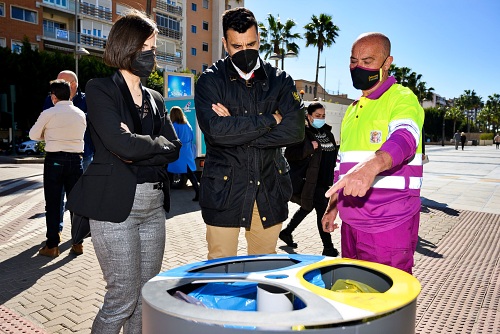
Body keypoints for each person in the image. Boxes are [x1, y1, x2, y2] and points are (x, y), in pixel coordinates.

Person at [66, 11, 181, 334]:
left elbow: (174, 148)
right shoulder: (101, 88)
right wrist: (148, 147)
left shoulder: (156, 98)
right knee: (122, 299)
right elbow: (121, 146)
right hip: (116, 208)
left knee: (145, 298)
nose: (151, 54)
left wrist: (136, 146)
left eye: (153, 48)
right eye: (145, 46)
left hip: (154, 208)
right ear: (126, 46)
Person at [195, 7, 304, 260]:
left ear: (260, 39)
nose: (245, 51)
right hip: (224, 193)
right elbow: (216, 133)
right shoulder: (210, 81)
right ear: (224, 44)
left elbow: (295, 130)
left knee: (265, 269)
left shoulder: (281, 80)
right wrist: (271, 119)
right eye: (236, 46)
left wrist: (235, 128)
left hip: (268, 189)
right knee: (221, 271)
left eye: (251, 44)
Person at [321, 32, 425, 275]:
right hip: (351, 223)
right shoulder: (353, 109)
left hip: (388, 224)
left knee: (386, 304)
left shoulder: (401, 98)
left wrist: (372, 166)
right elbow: (342, 165)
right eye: (354, 61)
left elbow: (406, 136)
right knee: (355, 293)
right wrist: (333, 207)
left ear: (387, 63)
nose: (358, 68)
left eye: (367, 62)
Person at [29, 79, 87, 257]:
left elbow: (33, 135)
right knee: (76, 203)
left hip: (54, 160)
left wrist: (48, 135)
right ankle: (78, 243)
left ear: (54, 96)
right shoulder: (80, 113)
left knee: (53, 204)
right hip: (76, 161)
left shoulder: (48, 113)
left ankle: (52, 245)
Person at [280, 102, 339, 257]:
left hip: (326, 181)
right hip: (311, 181)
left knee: (307, 207)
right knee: (322, 212)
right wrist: (308, 147)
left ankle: (286, 232)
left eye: (323, 116)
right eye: (317, 116)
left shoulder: (328, 133)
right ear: (309, 116)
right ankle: (328, 247)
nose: (321, 118)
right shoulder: (302, 133)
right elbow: (290, 154)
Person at [43, 70, 94, 171]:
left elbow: (93, 121)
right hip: (57, 155)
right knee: (58, 186)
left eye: (61, 82)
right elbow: (45, 120)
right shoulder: (50, 99)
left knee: (82, 186)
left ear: (73, 84)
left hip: (83, 155)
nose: (57, 86)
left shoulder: (87, 100)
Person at [167, 106, 200, 201]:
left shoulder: (174, 125)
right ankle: (198, 193)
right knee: (190, 174)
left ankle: (166, 197)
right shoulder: (187, 125)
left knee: (169, 174)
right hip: (187, 151)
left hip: (178, 152)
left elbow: (172, 138)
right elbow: (192, 137)